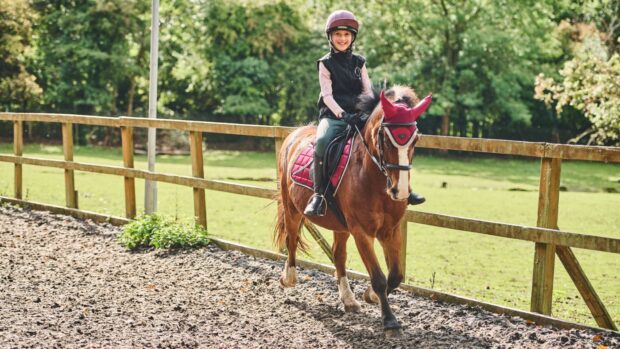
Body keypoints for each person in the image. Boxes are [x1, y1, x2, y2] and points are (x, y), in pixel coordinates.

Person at [304, 10, 425, 217]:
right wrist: (343, 115)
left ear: (352, 38)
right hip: (333, 116)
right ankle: (319, 195)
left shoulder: (359, 62)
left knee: (386, 142)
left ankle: (404, 188)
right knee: (323, 141)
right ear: (330, 37)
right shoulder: (325, 63)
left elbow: (367, 91)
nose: (342, 39)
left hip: (359, 115)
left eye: (346, 35)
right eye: (338, 35)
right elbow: (327, 96)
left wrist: (365, 114)